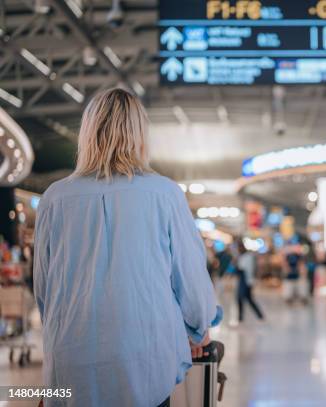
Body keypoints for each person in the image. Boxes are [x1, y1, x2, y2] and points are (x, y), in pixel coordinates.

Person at [33, 88, 219, 407]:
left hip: (71, 361)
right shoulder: (164, 194)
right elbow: (189, 276)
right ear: (139, 135)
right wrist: (199, 328)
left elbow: (44, 287)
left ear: (87, 133)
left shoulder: (55, 198)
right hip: (144, 361)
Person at [236, 241, 264, 322]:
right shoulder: (247, 256)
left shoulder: (246, 257)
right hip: (246, 280)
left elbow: (242, 269)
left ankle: (242, 318)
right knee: (247, 299)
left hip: (246, 281)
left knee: (243, 299)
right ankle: (258, 315)